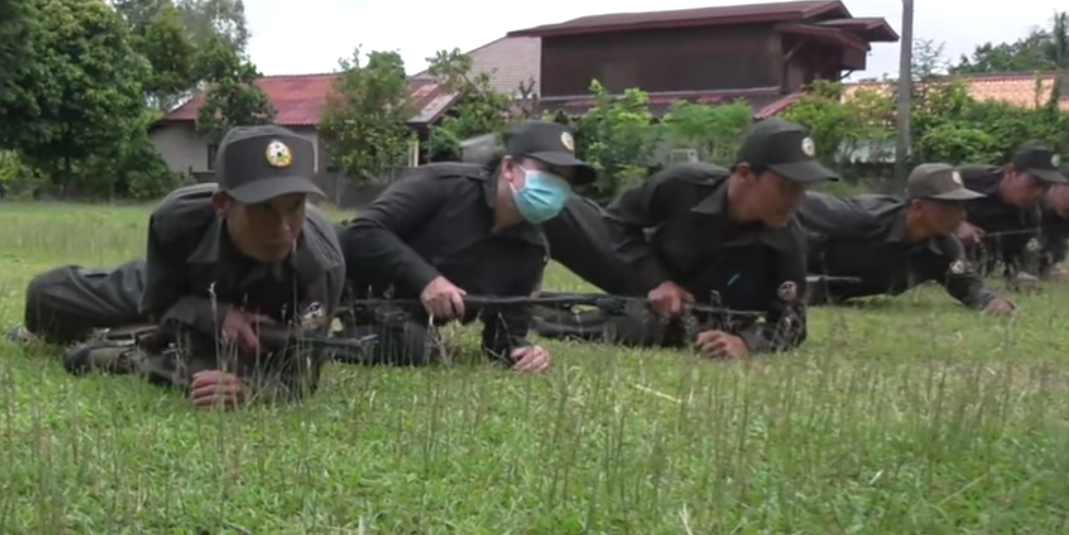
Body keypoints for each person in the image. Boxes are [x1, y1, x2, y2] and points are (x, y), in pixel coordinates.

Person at [18, 125, 344, 410]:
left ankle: (130, 350)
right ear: (222, 206)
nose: (284, 228)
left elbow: (300, 377)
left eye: (296, 207)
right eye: (264, 209)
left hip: (258, 335)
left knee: (218, 365)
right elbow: (159, 303)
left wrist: (247, 391)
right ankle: (136, 339)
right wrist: (217, 316)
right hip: (183, 291)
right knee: (47, 295)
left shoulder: (321, 264)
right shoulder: (178, 220)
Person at [532, 117, 832, 358]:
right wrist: (656, 280)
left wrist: (745, 342)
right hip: (639, 272)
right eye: (786, 186)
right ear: (744, 174)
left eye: (802, 188)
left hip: (687, 318)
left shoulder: (788, 238)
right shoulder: (684, 184)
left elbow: (790, 325)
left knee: (640, 328)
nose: (795, 199)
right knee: (559, 206)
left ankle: (538, 314)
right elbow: (617, 221)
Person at [336, 119, 595, 372]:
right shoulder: (444, 184)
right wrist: (427, 279)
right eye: (549, 171)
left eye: (565, 179)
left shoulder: (532, 250)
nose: (557, 186)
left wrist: (523, 352)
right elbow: (364, 230)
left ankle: (319, 345)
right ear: (508, 168)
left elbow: (504, 334)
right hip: (341, 272)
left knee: (418, 346)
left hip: (395, 313)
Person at [795, 163, 1016, 315]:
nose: (961, 214)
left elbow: (967, 286)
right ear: (919, 206)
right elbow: (796, 203)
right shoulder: (865, 217)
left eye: (962, 205)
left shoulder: (942, 249)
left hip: (825, 294)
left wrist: (991, 301)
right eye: (950, 205)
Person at [957, 141, 1066, 280]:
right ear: (1010, 172)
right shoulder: (968, 179)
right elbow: (924, 199)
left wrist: (1043, 270)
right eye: (1035, 184)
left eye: (1045, 187)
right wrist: (956, 224)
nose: (1039, 193)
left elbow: (1018, 263)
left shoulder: (1029, 218)